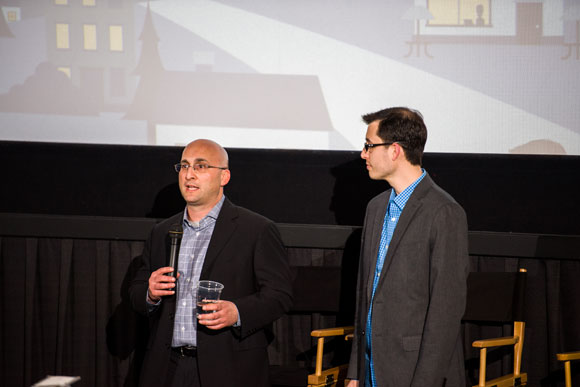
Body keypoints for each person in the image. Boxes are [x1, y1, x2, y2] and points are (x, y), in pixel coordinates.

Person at [129, 139, 293, 387]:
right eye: (184, 166)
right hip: (166, 367)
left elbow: (280, 296)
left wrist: (237, 312)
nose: (189, 174)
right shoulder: (163, 231)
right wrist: (150, 293)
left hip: (228, 368)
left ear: (224, 176)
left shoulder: (256, 229)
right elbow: (137, 293)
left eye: (201, 166)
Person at [346, 107, 469, 386]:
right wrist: (355, 371)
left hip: (414, 373)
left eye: (369, 146)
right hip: (371, 370)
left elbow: (445, 311)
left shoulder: (444, 212)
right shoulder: (375, 208)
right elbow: (364, 297)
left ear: (395, 150)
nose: (363, 154)